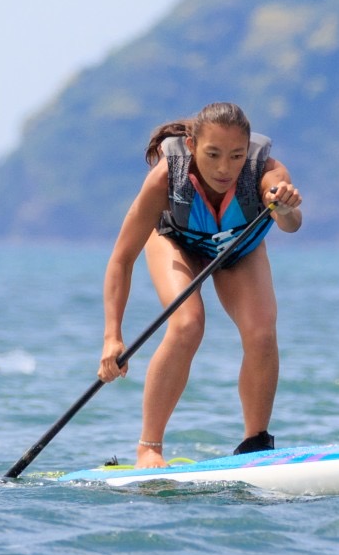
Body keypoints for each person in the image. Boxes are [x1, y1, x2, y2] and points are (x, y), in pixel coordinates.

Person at [97, 102, 303, 466]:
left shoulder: (265, 171)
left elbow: (292, 223)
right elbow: (121, 259)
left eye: (237, 155)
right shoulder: (165, 178)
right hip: (177, 243)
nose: (225, 168)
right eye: (213, 154)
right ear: (191, 145)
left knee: (261, 332)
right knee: (188, 324)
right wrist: (112, 336)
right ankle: (149, 448)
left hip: (236, 250)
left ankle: (255, 444)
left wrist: (284, 206)